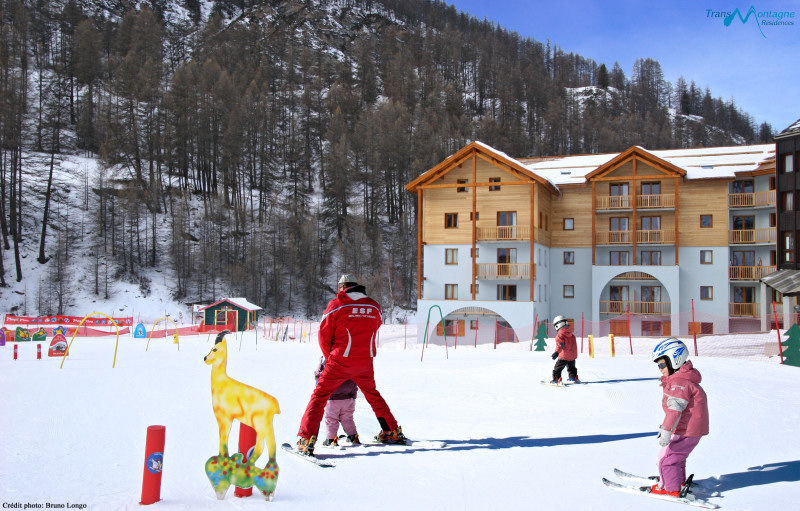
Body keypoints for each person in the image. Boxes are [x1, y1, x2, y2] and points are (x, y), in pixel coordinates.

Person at [296, 274, 405, 456]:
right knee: (373, 395)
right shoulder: (373, 305)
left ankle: (306, 439)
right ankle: (391, 431)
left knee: (319, 396)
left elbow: (323, 336)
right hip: (365, 361)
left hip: (339, 360)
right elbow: (374, 326)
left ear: (342, 287)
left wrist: (330, 357)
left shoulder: (337, 304)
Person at [650, 338, 709, 497]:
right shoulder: (684, 378)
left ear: (674, 360)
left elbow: (674, 410)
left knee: (667, 459)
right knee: (677, 456)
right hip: (690, 429)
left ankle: (671, 488)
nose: (660, 369)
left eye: (662, 364)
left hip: (685, 429)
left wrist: (666, 430)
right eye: (658, 365)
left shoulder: (679, 382)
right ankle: (678, 480)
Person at [314, 356, 360, 447]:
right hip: (348, 399)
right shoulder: (350, 363)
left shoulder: (329, 362)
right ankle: (353, 436)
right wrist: (353, 396)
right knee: (347, 419)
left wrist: (318, 369)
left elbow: (319, 377)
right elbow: (354, 382)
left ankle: (331, 439)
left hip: (333, 399)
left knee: (331, 419)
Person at [549, 315, 579, 384]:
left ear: (557, 325)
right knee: (571, 368)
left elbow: (560, 345)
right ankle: (573, 378)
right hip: (572, 356)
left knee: (557, 368)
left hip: (564, 356)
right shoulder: (571, 335)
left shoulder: (560, 335)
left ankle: (557, 380)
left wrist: (556, 352)